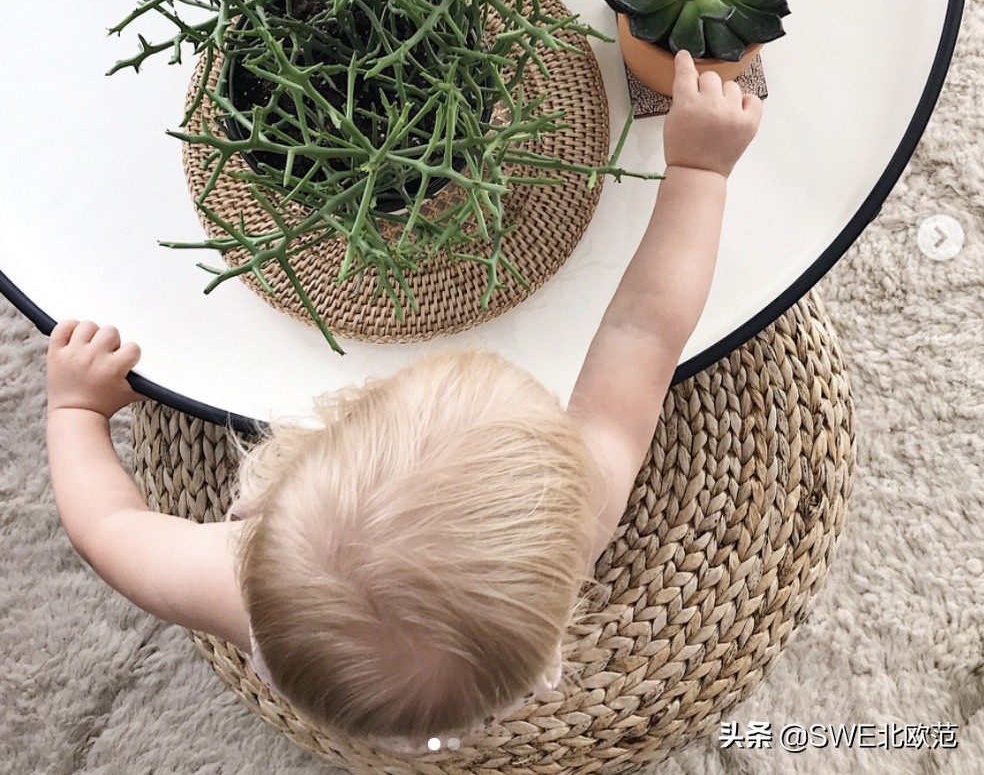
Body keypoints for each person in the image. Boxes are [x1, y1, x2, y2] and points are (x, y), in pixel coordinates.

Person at [45, 49, 762, 752]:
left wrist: (75, 412)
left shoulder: (237, 581)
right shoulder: (581, 513)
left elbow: (105, 529)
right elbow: (644, 331)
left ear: (272, 488)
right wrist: (701, 171)